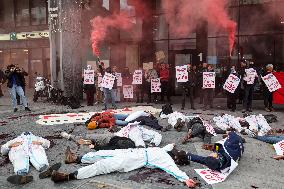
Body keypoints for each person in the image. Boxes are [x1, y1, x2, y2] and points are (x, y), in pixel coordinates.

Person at [50, 144, 198, 188]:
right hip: (130, 152)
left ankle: (68, 176)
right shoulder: (165, 151)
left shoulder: (166, 158)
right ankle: (75, 159)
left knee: (101, 165)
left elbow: (174, 170)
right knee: (102, 154)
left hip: (130, 160)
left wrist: (185, 179)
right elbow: (170, 146)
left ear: (176, 157)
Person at [61, 122, 162, 149]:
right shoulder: (134, 127)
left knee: (90, 137)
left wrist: (153, 144)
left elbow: (157, 135)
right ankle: (76, 138)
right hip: (112, 136)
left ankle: (70, 137)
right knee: (91, 138)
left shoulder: (137, 130)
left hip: (113, 139)